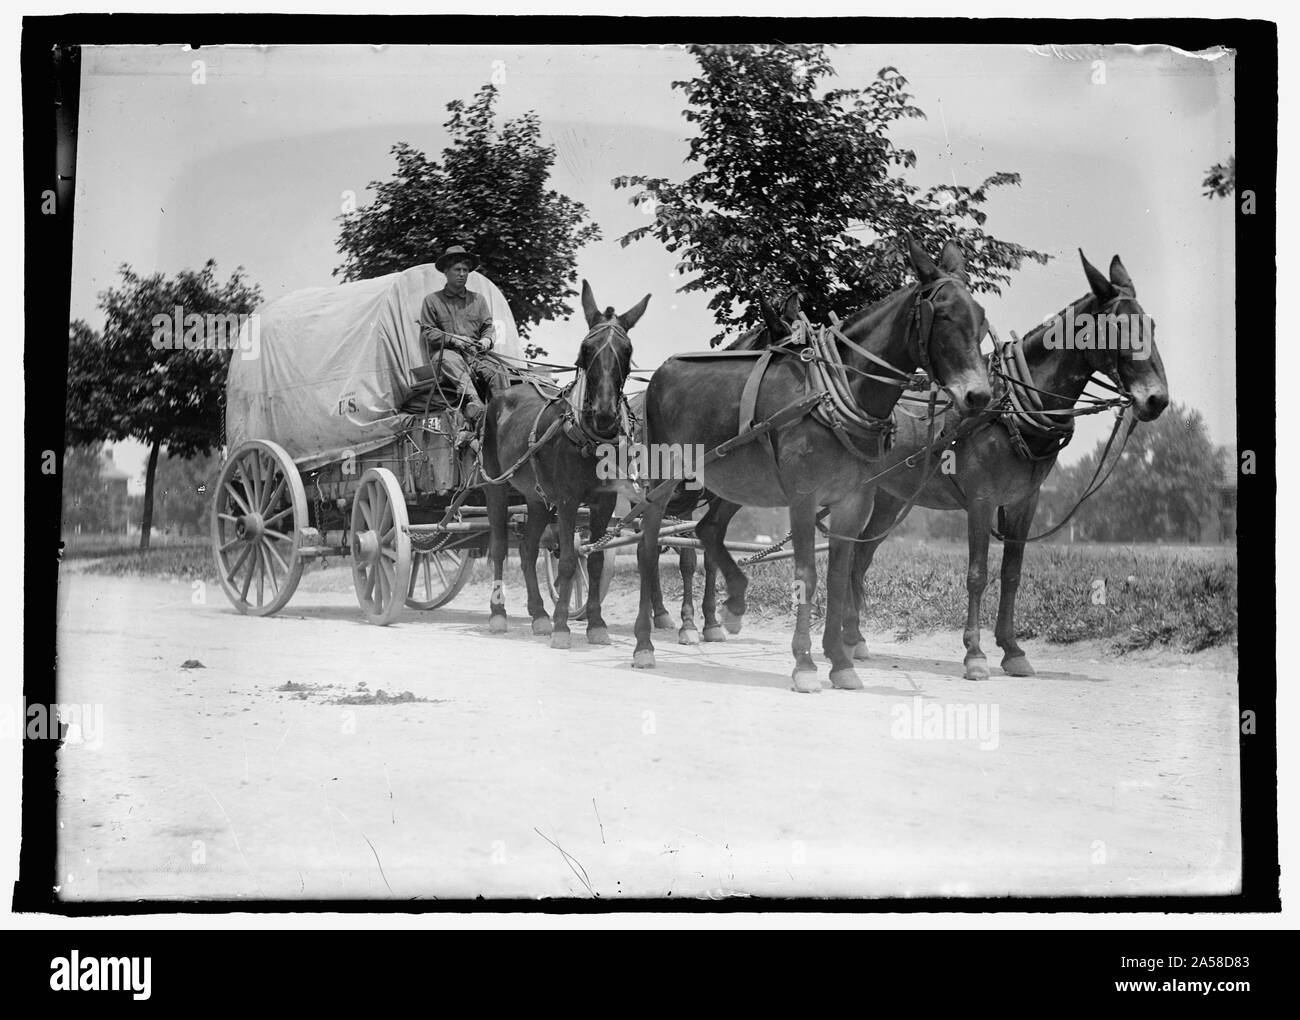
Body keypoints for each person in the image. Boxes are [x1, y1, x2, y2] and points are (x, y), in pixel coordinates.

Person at [418, 245, 509, 441]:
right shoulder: (432, 301)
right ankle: (475, 404)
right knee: (449, 361)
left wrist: (486, 339)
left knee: (498, 371)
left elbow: (488, 327)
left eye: (465, 270)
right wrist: (453, 339)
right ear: (446, 272)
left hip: (475, 355)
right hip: (446, 354)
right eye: (457, 270)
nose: (462, 274)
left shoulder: (478, 300)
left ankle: (503, 417)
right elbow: (428, 332)